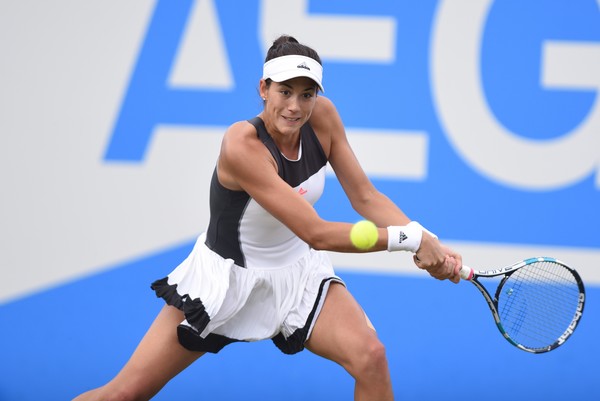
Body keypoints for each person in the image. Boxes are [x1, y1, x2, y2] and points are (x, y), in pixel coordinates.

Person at [73, 35, 462, 401]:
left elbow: (365, 196)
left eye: (306, 94)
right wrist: (409, 241)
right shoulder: (241, 145)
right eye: (284, 92)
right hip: (225, 280)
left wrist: (429, 240)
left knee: (371, 357)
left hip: (298, 275)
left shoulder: (322, 117)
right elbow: (317, 233)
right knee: (124, 394)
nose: (295, 106)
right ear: (263, 89)